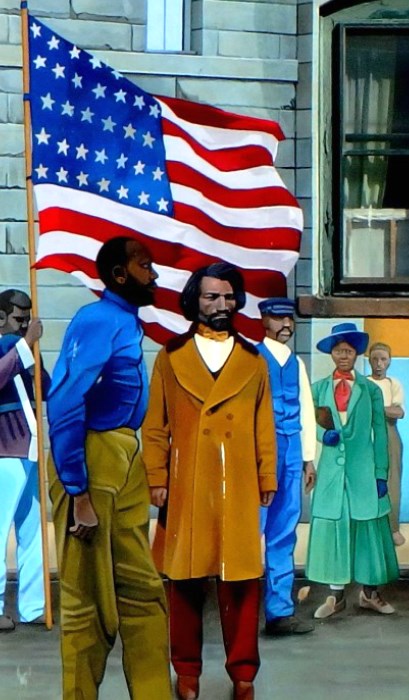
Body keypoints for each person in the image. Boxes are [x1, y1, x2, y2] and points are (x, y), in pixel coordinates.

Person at [143, 263, 277, 700]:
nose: (221, 305)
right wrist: (157, 477)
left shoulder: (254, 361)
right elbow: (155, 425)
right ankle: (187, 674)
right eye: (210, 297)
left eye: (227, 296)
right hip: (188, 485)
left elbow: (264, 425)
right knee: (183, 583)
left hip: (236, 484)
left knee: (240, 584)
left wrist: (266, 475)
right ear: (194, 301)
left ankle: (243, 675)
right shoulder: (170, 356)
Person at [47, 236, 171, 698]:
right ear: (120, 274)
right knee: (87, 603)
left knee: (143, 593)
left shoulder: (124, 321)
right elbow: (64, 401)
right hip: (91, 457)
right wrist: (77, 491)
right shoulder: (97, 319)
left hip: (125, 453)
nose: (153, 275)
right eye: (145, 266)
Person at [308, 323, 400, 619]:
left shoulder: (370, 390)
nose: (343, 356)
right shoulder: (318, 389)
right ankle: (335, 597)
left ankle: (370, 593)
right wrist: (324, 437)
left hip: (363, 470)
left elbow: (379, 432)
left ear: (357, 354)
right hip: (333, 474)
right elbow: (307, 427)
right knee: (335, 529)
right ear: (332, 354)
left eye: (348, 351)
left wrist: (381, 474)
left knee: (368, 529)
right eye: (338, 351)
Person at [255, 297, 317, 637]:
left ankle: (279, 611)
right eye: (278, 318)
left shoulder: (297, 364)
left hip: (292, 450)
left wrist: (309, 457)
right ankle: (244, 611)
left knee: (284, 531)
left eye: (289, 319)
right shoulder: (251, 358)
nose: (285, 325)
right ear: (264, 320)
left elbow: (307, 410)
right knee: (253, 531)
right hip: (261, 450)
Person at [0, 291, 46, 632]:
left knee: (34, 533)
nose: (26, 325)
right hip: (3, 450)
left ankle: (33, 606)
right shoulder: (11, 348)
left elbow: (46, 387)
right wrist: (23, 344)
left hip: (28, 447)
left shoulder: (26, 350)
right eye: (19, 319)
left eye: (28, 318)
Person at [366, 342, 407, 547]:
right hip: (366, 435)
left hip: (389, 434)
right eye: (375, 359)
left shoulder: (393, 384)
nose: (379, 364)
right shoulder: (363, 383)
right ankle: (368, 529)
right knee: (366, 480)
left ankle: (392, 529)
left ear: (389, 361)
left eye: (383, 359)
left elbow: (398, 412)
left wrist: (374, 408)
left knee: (392, 483)